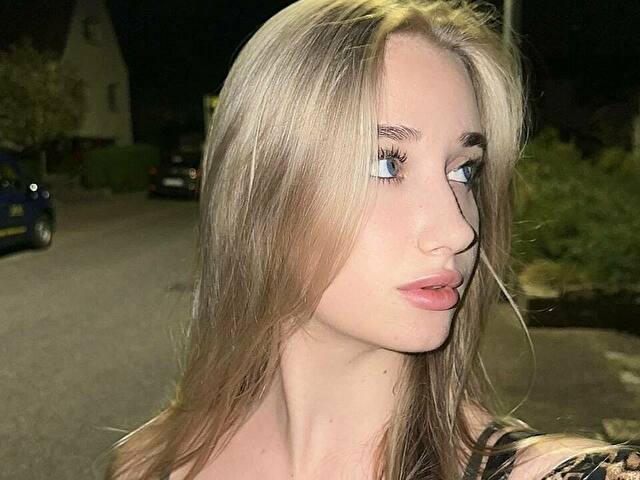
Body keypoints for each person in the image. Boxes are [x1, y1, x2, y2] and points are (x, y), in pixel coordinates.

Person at [107, 1, 640, 479]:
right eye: (385, 163)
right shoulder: (147, 466)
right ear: (260, 192)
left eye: (464, 170)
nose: (459, 231)